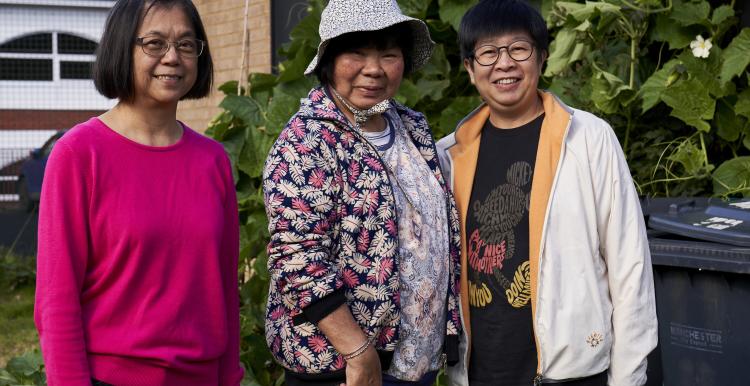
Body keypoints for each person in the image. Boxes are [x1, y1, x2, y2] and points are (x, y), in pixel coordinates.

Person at [436, 1, 658, 385]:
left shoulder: (588, 139)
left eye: (518, 49)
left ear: (541, 58)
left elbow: (630, 266)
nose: (504, 64)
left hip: (572, 373)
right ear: (471, 69)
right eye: (488, 52)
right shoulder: (448, 155)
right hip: (478, 373)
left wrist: (628, 378)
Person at [34, 0, 243, 385]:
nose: (172, 57)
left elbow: (224, 289)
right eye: (154, 43)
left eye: (185, 44)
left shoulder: (212, 160)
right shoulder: (79, 154)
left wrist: (229, 377)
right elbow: (56, 299)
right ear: (121, 48)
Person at [262, 1, 462, 385]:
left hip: (414, 362)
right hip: (346, 369)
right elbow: (297, 259)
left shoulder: (412, 127)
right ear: (330, 61)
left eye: (389, 54)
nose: (374, 69)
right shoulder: (307, 140)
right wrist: (357, 351)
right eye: (357, 52)